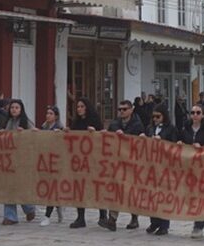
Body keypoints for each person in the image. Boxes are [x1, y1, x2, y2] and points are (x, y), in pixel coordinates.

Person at [102, 100, 145, 231]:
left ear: (131, 110)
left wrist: (126, 136)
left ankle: (134, 218)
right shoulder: (115, 124)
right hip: (117, 162)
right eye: (120, 109)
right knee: (116, 189)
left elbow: (141, 143)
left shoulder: (137, 125)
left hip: (132, 163)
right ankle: (112, 219)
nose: (121, 112)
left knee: (131, 191)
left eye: (124, 109)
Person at [68, 98, 106, 229]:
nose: (79, 109)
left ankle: (103, 216)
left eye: (82, 106)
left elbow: (103, 136)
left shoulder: (94, 120)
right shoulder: (76, 122)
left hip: (94, 160)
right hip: (80, 161)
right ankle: (80, 217)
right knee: (80, 188)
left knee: (98, 187)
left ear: (87, 107)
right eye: (78, 106)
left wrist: (94, 132)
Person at [1, 99, 36, 224]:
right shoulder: (8, 122)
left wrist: (25, 133)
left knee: (19, 186)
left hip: (22, 160)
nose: (14, 109)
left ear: (21, 110)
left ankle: (29, 208)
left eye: (17, 107)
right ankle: (10, 217)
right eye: (12, 107)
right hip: (9, 160)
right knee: (8, 187)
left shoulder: (26, 122)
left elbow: (36, 134)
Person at [146, 105, 179, 236]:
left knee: (164, 195)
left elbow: (175, 145)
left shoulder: (171, 129)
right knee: (151, 195)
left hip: (166, 166)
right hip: (151, 166)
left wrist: (163, 141)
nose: (155, 119)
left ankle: (164, 225)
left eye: (158, 117)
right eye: (153, 117)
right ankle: (154, 221)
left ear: (164, 116)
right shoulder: (149, 128)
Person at [182, 104, 204, 238]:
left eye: (198, 112)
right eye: (192, 112)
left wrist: (202, 148)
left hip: (203, 167)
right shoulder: (185, 128)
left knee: (200, 195)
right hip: (187, 166)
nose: (194, 115)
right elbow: (180, 140)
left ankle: (198, 225)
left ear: (203, 114)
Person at [39, 106, 65, 226]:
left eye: (50, 113)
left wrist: (60, 134)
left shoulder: (60, 128)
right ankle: (58, 206)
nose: (48, 115)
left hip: (57, 163)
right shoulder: (43, 127)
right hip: (45, 162)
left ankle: (47, 216)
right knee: (51, 189)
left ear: (56, 116)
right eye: (47, 113)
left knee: (52, 188)